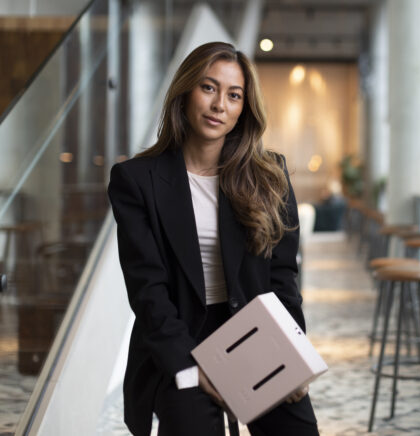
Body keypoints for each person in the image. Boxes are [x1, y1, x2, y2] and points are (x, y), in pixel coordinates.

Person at [108, 42, 319, 436]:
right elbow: (148, 290)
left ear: (243, 108)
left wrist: (295, 355)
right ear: (185, 92)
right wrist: (188, 365)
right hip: (180, 336)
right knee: (194, 424)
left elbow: (283, 278)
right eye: (208, 88)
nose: (219, 104)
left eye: (234, 95)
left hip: (258, 333)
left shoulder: (269, 174)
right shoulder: (137, 181)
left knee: (296, 428)